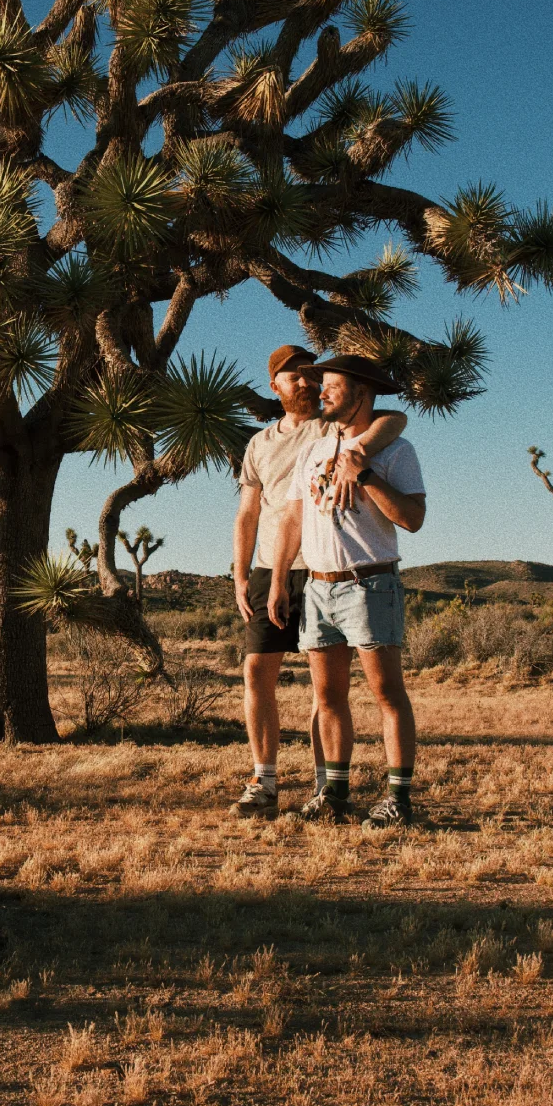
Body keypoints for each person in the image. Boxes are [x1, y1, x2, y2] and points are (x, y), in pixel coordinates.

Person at [229, 345, 407, 817]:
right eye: (295, 378)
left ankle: (326, 784)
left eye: (313, 377)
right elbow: (250, 511)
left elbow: (395, 418)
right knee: (256, 671)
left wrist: (361, 451)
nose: (307, 385)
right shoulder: (260, 443)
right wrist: (241, 572)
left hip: (328, 566)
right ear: (275, 386)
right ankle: (264, 781)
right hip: (274, 566)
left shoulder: (334, 425)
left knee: (324, 688)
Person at [268, 354, 426, 829]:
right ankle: (334, 794)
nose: (322, 392)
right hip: (318, 586)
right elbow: (294, 517)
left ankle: (398, 799)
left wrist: (367, 475)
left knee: (387, 692)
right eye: (323, 386)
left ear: (362, 392)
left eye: (333, 385)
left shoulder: (397, 452)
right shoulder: (313, 451)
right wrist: (280, 578)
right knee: (328, 696)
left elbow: (413, 519)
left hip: (369, 582)